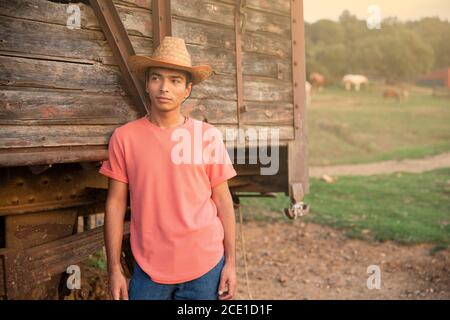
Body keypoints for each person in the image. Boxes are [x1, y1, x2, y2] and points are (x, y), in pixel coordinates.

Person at [99, 36, 238, 300]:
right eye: (156, 78)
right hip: (150, 272)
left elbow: (223, 199)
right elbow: (115, 204)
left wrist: (230, 263)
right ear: (147, 84)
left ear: (187, 90)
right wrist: (114, 269)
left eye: (175, 80)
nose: (164, 87)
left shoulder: (207, 136)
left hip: (205, 267)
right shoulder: (125, 138)